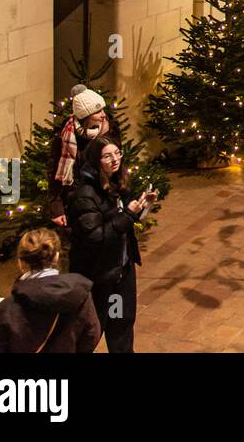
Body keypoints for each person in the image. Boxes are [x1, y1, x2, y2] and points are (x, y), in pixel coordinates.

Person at [66, 137, 154, 353]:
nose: (115, 160)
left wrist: (143, 208)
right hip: (98, 278)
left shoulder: (117, 183)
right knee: (92, 331)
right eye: (107, 156)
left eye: (117, 153)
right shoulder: (85, 195)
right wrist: (127, 215)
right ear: (96, 160)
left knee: (120, 326)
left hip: (120, 274)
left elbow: (126, 222)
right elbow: (95, 238)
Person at [0, 228, 101, 354]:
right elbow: (91, 338)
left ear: (20, 263)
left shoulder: (5, 310)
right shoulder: (81, 296)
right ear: (56, 257)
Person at [46, 85, 119, 227]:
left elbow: (118, 162)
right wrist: (56, 209)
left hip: (106, 194)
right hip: (79, 199)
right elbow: (54, 172)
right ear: (85, 116)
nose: (103, 115)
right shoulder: (65, 136)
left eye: (102, 109)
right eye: (97, 111)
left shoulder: (110, 129)